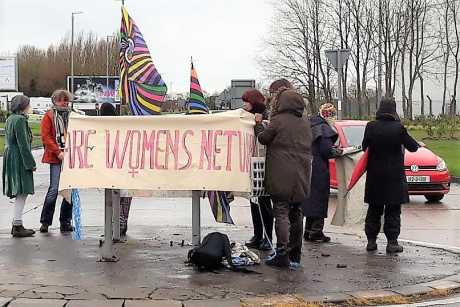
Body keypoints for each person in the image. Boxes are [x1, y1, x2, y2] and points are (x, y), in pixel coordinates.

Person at [255, 79, 312, 267]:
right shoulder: (305, 121)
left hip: (280, 174)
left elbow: (264, 139)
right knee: (297, 213)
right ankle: (296, 255)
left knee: (281, 211)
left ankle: (282, 253)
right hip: (302, 175)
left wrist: (258, 125)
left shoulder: (278, 120)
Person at [362, 98, 419, 253]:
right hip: (394, 177)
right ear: (394, 110)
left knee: (374, 209)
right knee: (393, 211)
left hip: (375, 177)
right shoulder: (398, 128)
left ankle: (371, 241)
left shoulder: (371, 126)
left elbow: (364, 146)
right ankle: (392, 243)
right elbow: (413, 147)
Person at [302, 103, 342, 243]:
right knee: (319, 198)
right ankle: (316, 231)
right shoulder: (324, 129)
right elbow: (326, 150)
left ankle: (308, 230)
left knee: (309, 199)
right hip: (319, 167)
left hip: (307, 166)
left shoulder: (309, 125)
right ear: (329, 116)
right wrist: (337, 152)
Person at [242, 89, 273, 251]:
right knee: (254, 202)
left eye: (246, 101)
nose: (244, 105)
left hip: (264, 164)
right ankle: (258, 235)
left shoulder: (266, 118)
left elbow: (265, 138)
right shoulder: (246, 118)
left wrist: (259, 123)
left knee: (264, 202)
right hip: (253, 164)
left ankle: (267, 237)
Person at [39, 89, 74, 233]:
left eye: (66, 100)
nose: (64, 103)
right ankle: (45, 222)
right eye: (60, 100)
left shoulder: (74, 115)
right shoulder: (49, 116)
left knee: (70, 189)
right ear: (54, 101)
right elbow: (46, 137)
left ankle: (65, 221)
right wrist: (58, 152)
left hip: (71, 156)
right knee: (54, 189)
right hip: (56, 156)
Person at [2, 95, 37, 237]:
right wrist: (31, 163)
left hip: (11, 156)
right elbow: (23, 144)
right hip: (19, 158)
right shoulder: (20, 120)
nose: (30, 107)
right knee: (23, 190)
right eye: (28, 104)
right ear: (23, 106)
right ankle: (17, 224)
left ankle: (16, 223)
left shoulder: (11, 118)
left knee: (20, 191)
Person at [99, 102, 132, 236]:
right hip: (124, 166)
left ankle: (114, 224)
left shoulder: (100, 127)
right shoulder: (122, 125)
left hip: (110, 167)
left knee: (112, 197)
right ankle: (122, 222)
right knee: (126, 196)